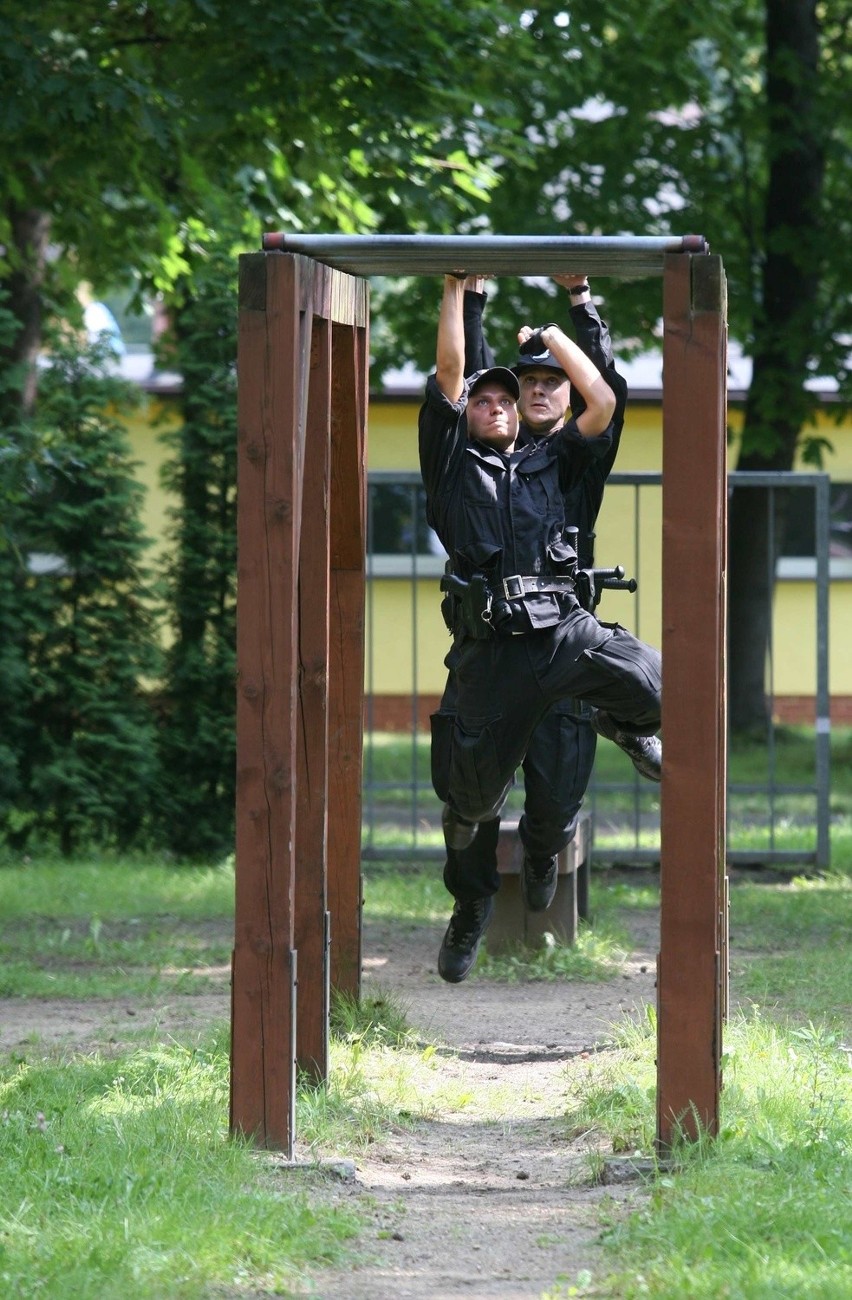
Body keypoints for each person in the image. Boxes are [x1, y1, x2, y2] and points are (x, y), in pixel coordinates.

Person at [419, 274, 662, 983]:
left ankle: (555, 832)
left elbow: (604, 397)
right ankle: (471, 907)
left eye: (517, 394)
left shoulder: (553, 459)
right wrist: (461, 293)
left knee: (630, 710)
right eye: (491, 398)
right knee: (466, 801)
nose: (505, 403)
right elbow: (454, 376)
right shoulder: (456, 463)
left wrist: (565, 319)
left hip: (560, 638)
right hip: (492, 656)